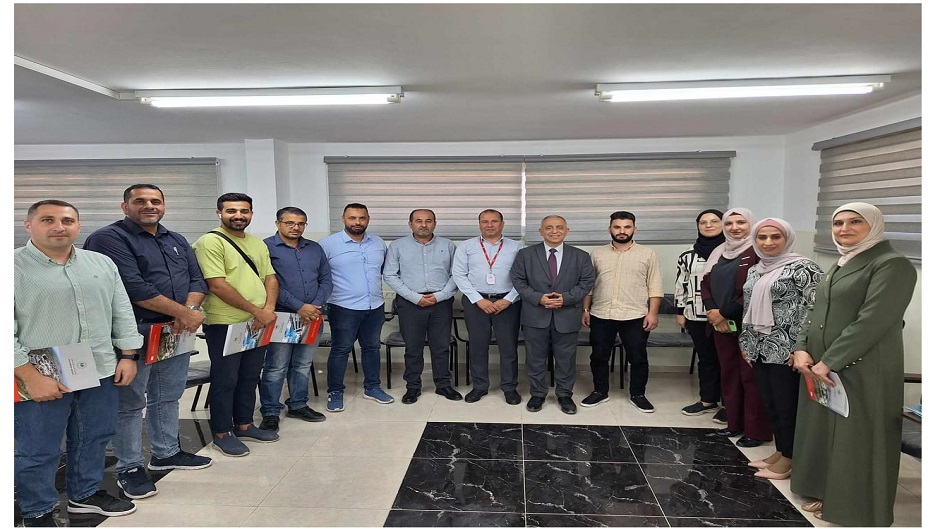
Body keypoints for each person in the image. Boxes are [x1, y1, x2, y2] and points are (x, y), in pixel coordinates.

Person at [15, 200, 143, 526]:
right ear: (29, 225)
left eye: (67, 220)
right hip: (39, 373)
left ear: (78, 225)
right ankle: (38, 510)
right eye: (48, 220)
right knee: (39, 447)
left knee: (95, 436)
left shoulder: (100, 262)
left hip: (98, 367)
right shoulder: (11, 267)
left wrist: (129, 355)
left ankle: (84, 494)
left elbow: (121, 311)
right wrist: (30, 376)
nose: (59, 226)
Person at [790, 203, 916, 526]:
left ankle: (854, 507)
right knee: (826, 433)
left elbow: (872, 321)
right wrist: (801, 349)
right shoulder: (841, 262)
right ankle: (827, 492)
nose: (844, 229)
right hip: (822, 365)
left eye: (855, 222)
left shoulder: (892, 264)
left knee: (855, 438)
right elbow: (814, 310)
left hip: (863, 367)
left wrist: (830, 360)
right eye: (838, 223)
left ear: (874, 225)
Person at [84, 184, 212, 500]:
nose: (149, 206)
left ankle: (166, 452)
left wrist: (188, 311)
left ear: (164, 205)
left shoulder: (175, 239)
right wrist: (185, 313)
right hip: (134, 332)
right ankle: (129, 467)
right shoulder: (108, 238)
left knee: (168, 395)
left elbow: (197, 279)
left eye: (155, 201)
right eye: (140, 201)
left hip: (174, 331)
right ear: (125, 206)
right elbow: (135, 287)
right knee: (130, 404)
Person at [192, 193, 280, 457]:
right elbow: (216, 285)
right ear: (219, 213)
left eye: (244, 211)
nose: (238, 216)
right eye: (231, 211)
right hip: (226, 324)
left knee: (250, 376)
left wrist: (268, 310)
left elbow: (270, 278)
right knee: (226, 379)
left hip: (257, 323)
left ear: (251, 213)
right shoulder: (210, 242)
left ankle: (244, 424)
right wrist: (257, 310)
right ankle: (222, 432)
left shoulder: (257, 243)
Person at [738, 218, 822, 480]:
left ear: (787, 239)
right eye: (762, 237)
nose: (768, 242)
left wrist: (801, 347)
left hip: (788, 349)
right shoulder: (756, 269)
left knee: (787, 406)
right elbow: (748, 308)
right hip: (760, 347)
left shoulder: (804, 267)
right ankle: (781, 450)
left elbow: (816, 309)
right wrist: (746, 343)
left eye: (775, 237)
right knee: (771, 403)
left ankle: (791, 457)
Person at [701, 208, 773, 448]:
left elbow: (755, 289)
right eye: (729, 223)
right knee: (729, 375)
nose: (734, 228)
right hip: (721, 326)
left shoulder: (759, 251)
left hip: (750, 326)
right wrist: (713, 312)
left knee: (751, 378)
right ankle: (734, 424)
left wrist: (723, 313)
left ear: (751, 224)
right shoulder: (720, 251)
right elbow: (705, 284)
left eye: (741, 222)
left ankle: (756, 431)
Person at [510, 215, 594, 414]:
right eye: (548, 227)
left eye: (559, 227)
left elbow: (587, 282)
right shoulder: (525, 254)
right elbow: (518, 280)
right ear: (540, 231)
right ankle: (537, 394)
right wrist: (538, 298)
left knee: (566, 358)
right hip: (535, 315)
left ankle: (564, 395)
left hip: (567, 315)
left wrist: (566, 298)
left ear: (567, 231)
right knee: (535, 358)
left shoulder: (581, 256)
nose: (554, 231)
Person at [259, 207, 333, 431]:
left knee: (302, 364)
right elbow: (268, 283)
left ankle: (298, 404)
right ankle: (270, 411)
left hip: (313, 316)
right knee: (276, 366)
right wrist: (299, 306)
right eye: (290, 223)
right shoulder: (265, 247)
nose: (296, 227)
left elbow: (326, 279)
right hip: (282, 316)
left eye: (301, 223)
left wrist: (315, 306)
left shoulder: (314, 248)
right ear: (278, 224)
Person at [581, 211, 663, 412]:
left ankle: (638, 395)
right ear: (610, 229)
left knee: (638, 357)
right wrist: (586, 309)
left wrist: (652, 313)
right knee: (598, 356)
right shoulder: (597, 254)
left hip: (635, 315)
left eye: (627, 227)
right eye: (617, 227)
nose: (622, 231)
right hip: (601, 313)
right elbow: (589, 286)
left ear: (635, 229)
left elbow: (655, 286)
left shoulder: (648, 254)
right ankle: (600, 392)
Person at [319, 203, 395, 411]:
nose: (357, 222)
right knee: (341, 349)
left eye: (362, 218)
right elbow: (319, 276)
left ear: (368, 219)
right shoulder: (327, 245)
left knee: (372, 347)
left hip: (375, 305)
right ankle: (335, 392)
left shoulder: (378, 243)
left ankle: (372, 387)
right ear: (343, 219)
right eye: (352, 218)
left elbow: (383, 271)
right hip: (343, 307)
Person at [383, 209, 462, 404]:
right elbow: (390, 275)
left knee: (441, 346)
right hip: (410, 304)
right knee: (413, 348)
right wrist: (415, 298)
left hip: (441, 303)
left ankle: (443, 385)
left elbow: (457, 274)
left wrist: (440, 296)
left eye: (428, 221)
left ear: (435, 223)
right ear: (410, 224)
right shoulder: (398, 246)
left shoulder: (448, 245)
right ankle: (413, 387)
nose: (423, 225)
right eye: (418, 221)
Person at [452, 209, 524, 404]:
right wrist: (478, 299)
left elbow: (523, 277)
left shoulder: (517, 247)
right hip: (476, 302)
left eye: (494, 221)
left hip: (508, 303)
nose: (489, 225)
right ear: (479, 224)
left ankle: (509, 388)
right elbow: (459, 274)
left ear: (502, 224)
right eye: (485, 221)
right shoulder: (466, 247)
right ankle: (479, 386)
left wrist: (509, 299)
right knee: (478, 346)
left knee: (508, 347)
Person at [675, 209, 727, 423]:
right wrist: (680, 311)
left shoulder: (733, 252)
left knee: (727, 360)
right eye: (703, 222)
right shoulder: (688, 255)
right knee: (706, 359)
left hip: (725, 316)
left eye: (714, 221)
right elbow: (681, 284)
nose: (709, 225)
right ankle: (708, 400)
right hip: (696, 315)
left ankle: (729, 404)